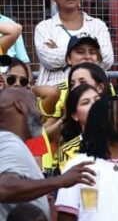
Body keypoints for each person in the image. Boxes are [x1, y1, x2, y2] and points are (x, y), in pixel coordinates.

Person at [0, 88, 95, 218]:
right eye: (35, 105)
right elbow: (4, 188)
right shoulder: (9, 142)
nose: (40, 113)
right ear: (20, 106)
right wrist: (60, 181)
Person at [34, 0, 113, 87]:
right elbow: (48, 60)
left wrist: (62, 51)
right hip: (55, 92)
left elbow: (107, 59)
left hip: (93, 90)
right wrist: (90, 54)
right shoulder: (44, 27)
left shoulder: (97, 25)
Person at [56, 84, 100, 170]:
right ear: (75, 115)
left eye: (97, 100)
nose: (94, 105)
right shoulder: (67, 151)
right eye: (86, 102)